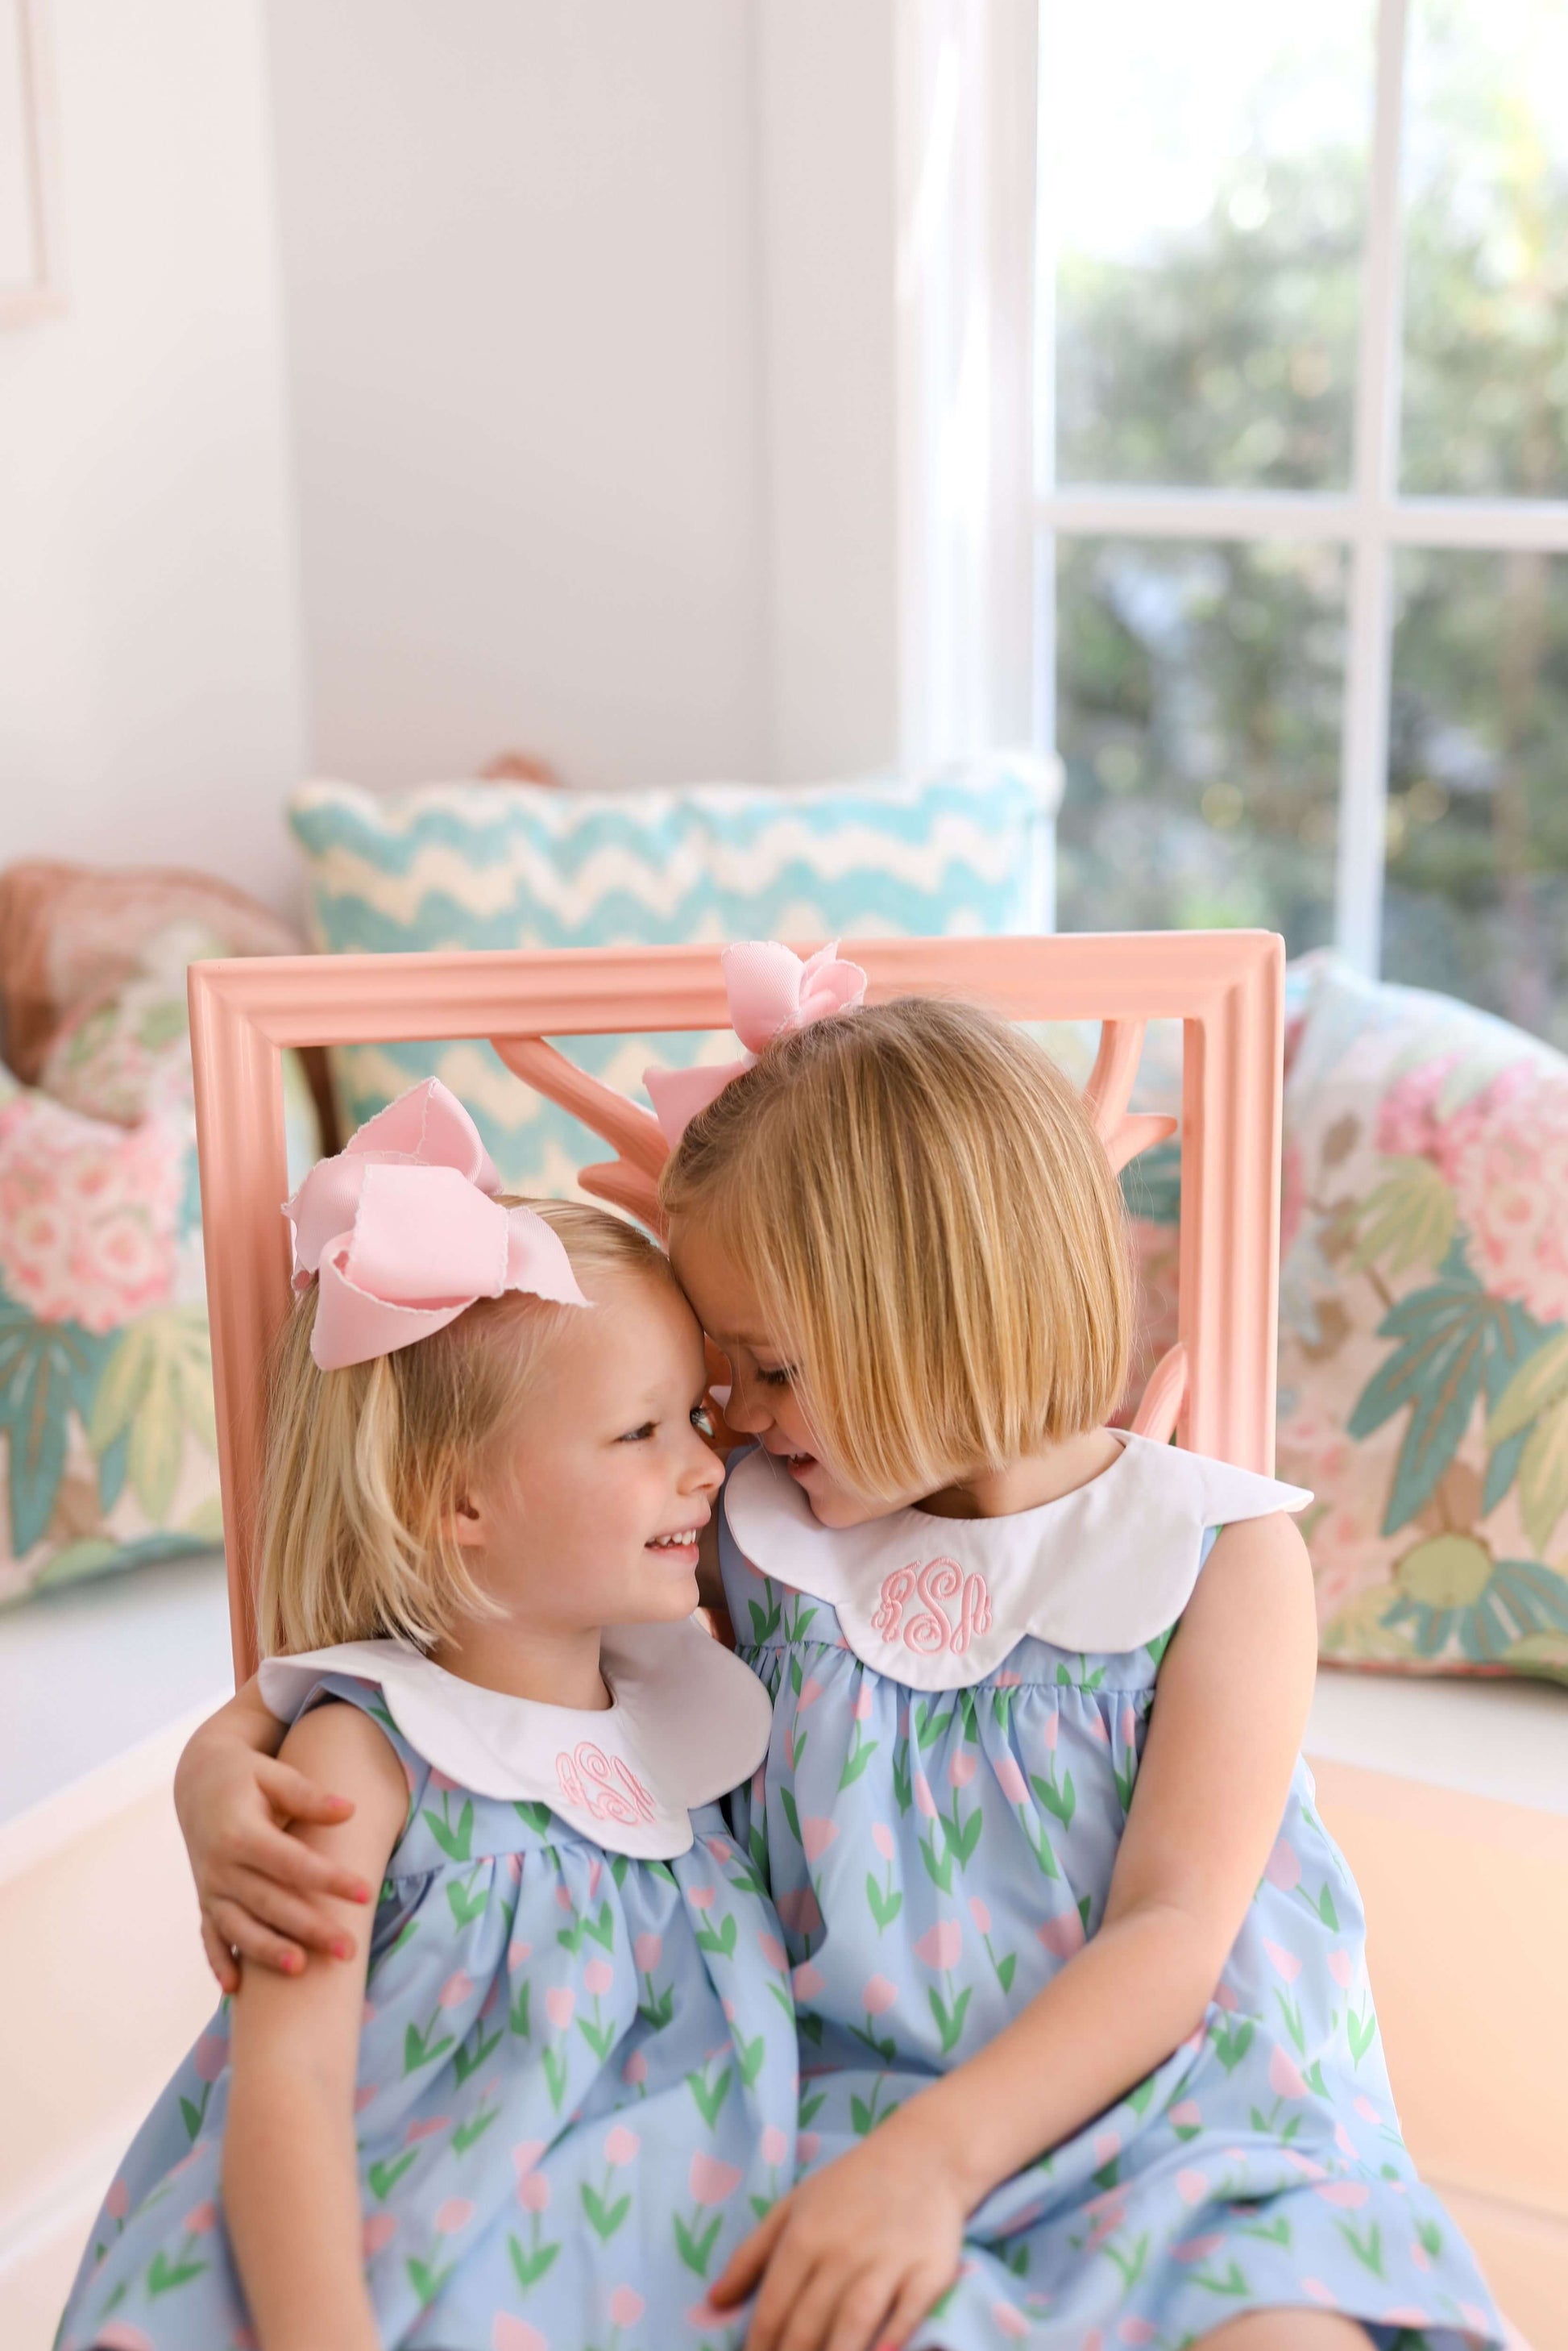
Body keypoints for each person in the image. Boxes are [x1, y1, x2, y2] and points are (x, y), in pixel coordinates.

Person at [170, 953, 1507, 2351]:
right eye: (709, 1385)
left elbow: (1174, 1934)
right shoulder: (754, 1538)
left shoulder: (1216, 1554)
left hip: (1178, 2119)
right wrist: (219, 1771)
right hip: (840, 2123)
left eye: (769, 1366)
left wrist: (933, 2163)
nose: (733, 1418)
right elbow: (476, 1669)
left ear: (938, 1315)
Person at [59, 1080, 796, 2351]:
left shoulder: (704, 1700)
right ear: (457, 1505)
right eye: (640, 1431)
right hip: (423, 2247)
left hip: (671, 2258)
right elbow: (285, 2085)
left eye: (699, 1417)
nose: (704, 1464)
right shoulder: (377, 1742)